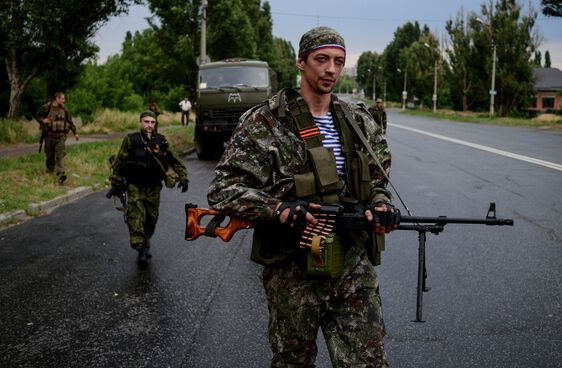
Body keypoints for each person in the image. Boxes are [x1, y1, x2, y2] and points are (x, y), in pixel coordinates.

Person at [207, 26, 398, 367]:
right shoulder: (265, 122)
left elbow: (376, 178)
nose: (331, 70)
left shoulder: (357, 120)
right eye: (322, 59)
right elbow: (223, 189)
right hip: (291, 268)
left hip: (352, 262)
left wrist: (382, 205)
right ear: (301, 62)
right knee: (293, 362)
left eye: (339, 62)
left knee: (369, 362)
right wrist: (278, 209)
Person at [108, 111, 189, 268]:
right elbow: (119, 161)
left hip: (153, 187)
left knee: (151, 218)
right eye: (146, 121)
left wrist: (184, 177)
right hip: (134, 185)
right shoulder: (131, 140)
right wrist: (116, 182)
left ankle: (146, 243)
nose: (149, 125)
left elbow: (175, 159)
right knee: (136, 217)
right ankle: (140, 250)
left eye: (152, 122)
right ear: (140, 122)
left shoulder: (162, 141)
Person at [35, 91, 79, 184]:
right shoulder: (47, 107)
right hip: (49, 136)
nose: (64, 100)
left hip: (61, 137)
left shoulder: (65, 109)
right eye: (62, 99)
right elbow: (37, 116)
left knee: (60, 155)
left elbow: (70, 122)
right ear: (57, 98)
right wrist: (43, 120)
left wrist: (75, 133)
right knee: (50, 156)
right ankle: (50, 172)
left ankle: (61, 175)